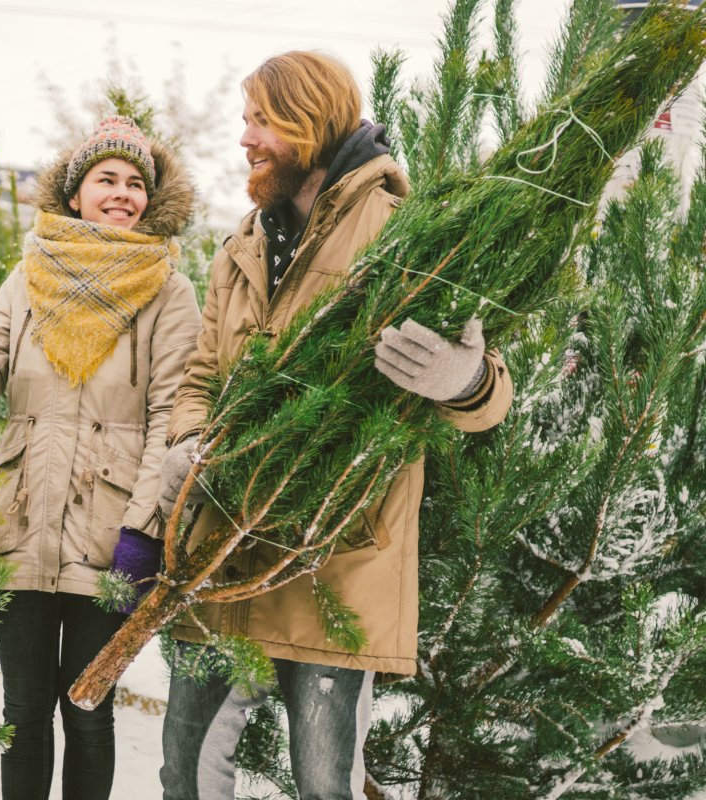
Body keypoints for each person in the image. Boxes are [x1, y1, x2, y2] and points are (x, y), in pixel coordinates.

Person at [156, 51, 514, 799]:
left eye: (260, 121)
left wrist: (465, 378)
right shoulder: (245, 241)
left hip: (336, 560)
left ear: (307, 121)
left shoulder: (400, 231)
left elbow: (492, 397)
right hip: (223, 553)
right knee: (184, 772)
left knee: (326, 784)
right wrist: (187, 443)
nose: (245, 138)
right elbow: (200, 375)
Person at [0, 115, 200, 800]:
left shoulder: (169, 289)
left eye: (136, 183)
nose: (122, 193)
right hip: (19, 522)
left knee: (87, 708)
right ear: (75, 193)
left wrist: (143, 530)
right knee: (21, 715)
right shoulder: (28, 275)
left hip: (110, 538)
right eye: (106, 178)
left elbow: (174, 416)